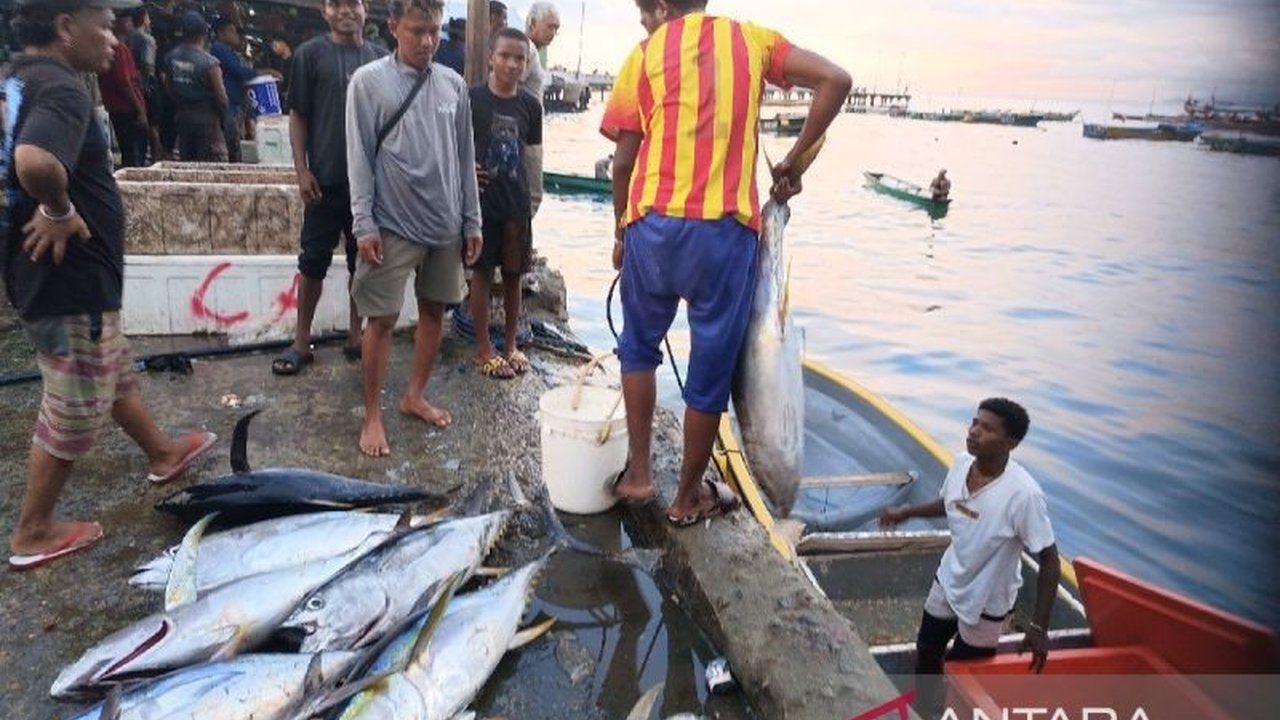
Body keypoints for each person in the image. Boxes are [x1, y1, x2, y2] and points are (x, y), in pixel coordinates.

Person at [600, 0, 851, 524]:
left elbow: (623, 161)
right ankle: (688, 496)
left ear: (663, 7)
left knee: (638, 347)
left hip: (652, 224)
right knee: (709, 367)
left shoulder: (644, 55)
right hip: (725, 230)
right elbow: (836, 79)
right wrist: (794, 160)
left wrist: (621, 229)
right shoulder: (753, 41)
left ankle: (640, 475)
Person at [2, 0, 217, 571]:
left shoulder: (24, 78)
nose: (115, 40)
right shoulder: (65, 89)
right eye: (103, 27)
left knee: (111, 368)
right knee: (75, 401)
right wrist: (57, 207)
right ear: (65, 27)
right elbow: (32, 160)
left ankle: (162, 451)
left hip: (59, 279)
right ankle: (34, 529)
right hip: (68, 279)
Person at [346, 0, 481, 457]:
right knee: (380, 321)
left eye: (435, 31)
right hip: (391, 224)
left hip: (445, 226)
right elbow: (359, 157)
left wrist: (472, 221)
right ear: (394, 27)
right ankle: (371, 416)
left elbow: (465, 159)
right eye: (418, 30)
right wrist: (364, 224)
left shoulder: (454, 85)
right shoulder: (368, 83)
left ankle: (414, 395)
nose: (427, 41)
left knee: (434, 312)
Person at [878, 398, 1059, 713]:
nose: (974, 432)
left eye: (987, 429)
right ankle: (925, 708)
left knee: (963, 672)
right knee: (927, 649)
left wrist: (1039, 628)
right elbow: (949, 502)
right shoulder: (962, 462)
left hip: (989, 599)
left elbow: (1049, 560)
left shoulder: (1024, 495)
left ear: (1010, 443)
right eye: (975, 423)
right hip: (950, 579)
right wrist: (906, 512)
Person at [271, 0, 385, 376]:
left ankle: (357, 337)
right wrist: (301, 170)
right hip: (325, 179)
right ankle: (301, 341)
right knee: (312, 262)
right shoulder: (309, 56)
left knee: (362, 263)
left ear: (365, 9)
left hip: (368, 186)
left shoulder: (381, 60)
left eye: (353, 3)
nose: (345, 11)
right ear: (325, 11)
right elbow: (298, 114)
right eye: (336, 3)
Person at [468, 27, 541, 380]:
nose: (512, 64)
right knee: (481, 274)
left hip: (516, 205)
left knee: (514, 276)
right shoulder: (473, 99)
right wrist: (467, 174)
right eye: (505, 56)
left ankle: (511, 344)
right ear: (491, 58)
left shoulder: (531, 105)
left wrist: (534, 199)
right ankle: (483, 348)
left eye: (520, 58)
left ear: (527, 64)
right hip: (481, 205)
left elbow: (532, 157)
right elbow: (457, 147)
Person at [163, 10, 228, 161]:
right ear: (204, 34)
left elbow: (168, 87)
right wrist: (223, 119)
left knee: (187, 162)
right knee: (214, 164)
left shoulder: (171, 58)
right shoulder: (210, 63)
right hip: (207, 120)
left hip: (183, 118)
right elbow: (222, 99)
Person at [520, 2, 557, 216]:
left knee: (530, 195)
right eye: (550, 27)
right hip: (527, 132)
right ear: (533, 24)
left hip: (530, 130)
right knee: (532, 194)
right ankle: (522, 244)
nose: (553, 33)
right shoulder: (528, 50)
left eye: (556, 29)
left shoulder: (534, 50)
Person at [97, 13, 149, 166]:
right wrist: (140, 110)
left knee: (128, 151)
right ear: (117, 23)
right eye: (126, 20)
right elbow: (124, 82)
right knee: (134, 154)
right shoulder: (119, 48)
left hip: (115, 106)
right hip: (127, 108)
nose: (130, 23)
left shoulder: (111, 47)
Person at [209, 18, 259, 163]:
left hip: (235, 104)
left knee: (235, 143)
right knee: (231, 145)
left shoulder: (229, 52)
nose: (236, 34)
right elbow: (239, 72)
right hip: (228, 105)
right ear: (221, 33)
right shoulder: (219, 49)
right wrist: (260, 73)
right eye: (232, 31)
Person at [125, 5, 162, 161]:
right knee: (153, 125)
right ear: (144, 18)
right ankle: (156, 158)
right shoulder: (147, 40)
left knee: (137, 128)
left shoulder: (127, 38)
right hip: (147, 87)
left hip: (132, 86)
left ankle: (139, 157)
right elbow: (148, 65)